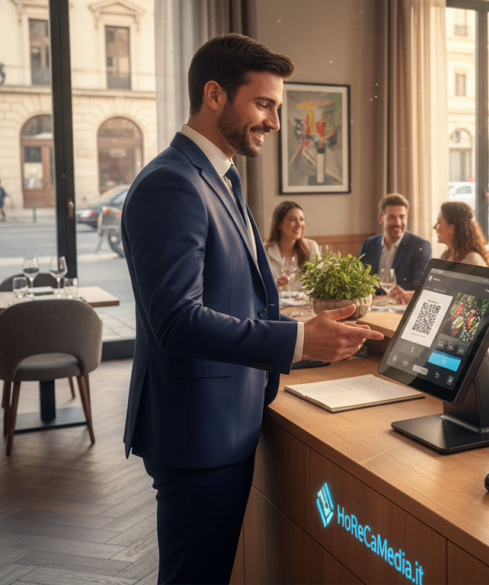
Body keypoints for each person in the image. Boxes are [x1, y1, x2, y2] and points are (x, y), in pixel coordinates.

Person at [119, 34, 383, 583]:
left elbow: (240, 298)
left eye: (278, 107)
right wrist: (298, 341)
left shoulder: (221, 176)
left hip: (223, 420)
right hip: (198, 430)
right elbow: (176, 320)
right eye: (264, 104)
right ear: (214, 95)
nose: (276, 123)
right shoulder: (171, 183)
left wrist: (311, 337)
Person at [357, 193, 431, 301]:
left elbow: (421, 289)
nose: (398, 223)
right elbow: (358, 281)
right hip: (372, 308)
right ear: (380, 218)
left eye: (402, 217)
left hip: (400, 309)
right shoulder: (369, 244)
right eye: (391, 217)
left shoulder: (420, 246)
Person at [264, 201, 320, 293]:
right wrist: (275, 284)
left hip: (304, 306)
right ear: (279, 224)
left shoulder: (311, 247)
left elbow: (318, 282)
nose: (299, 225)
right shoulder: (264, 251)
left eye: (301, 219)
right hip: (276, 305)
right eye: (292, 220)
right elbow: (258, 285)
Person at [435, 201, 489, 267]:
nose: (434, 227)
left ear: (452, 228)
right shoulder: (446, 255)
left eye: (439, 223)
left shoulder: (472, 260)